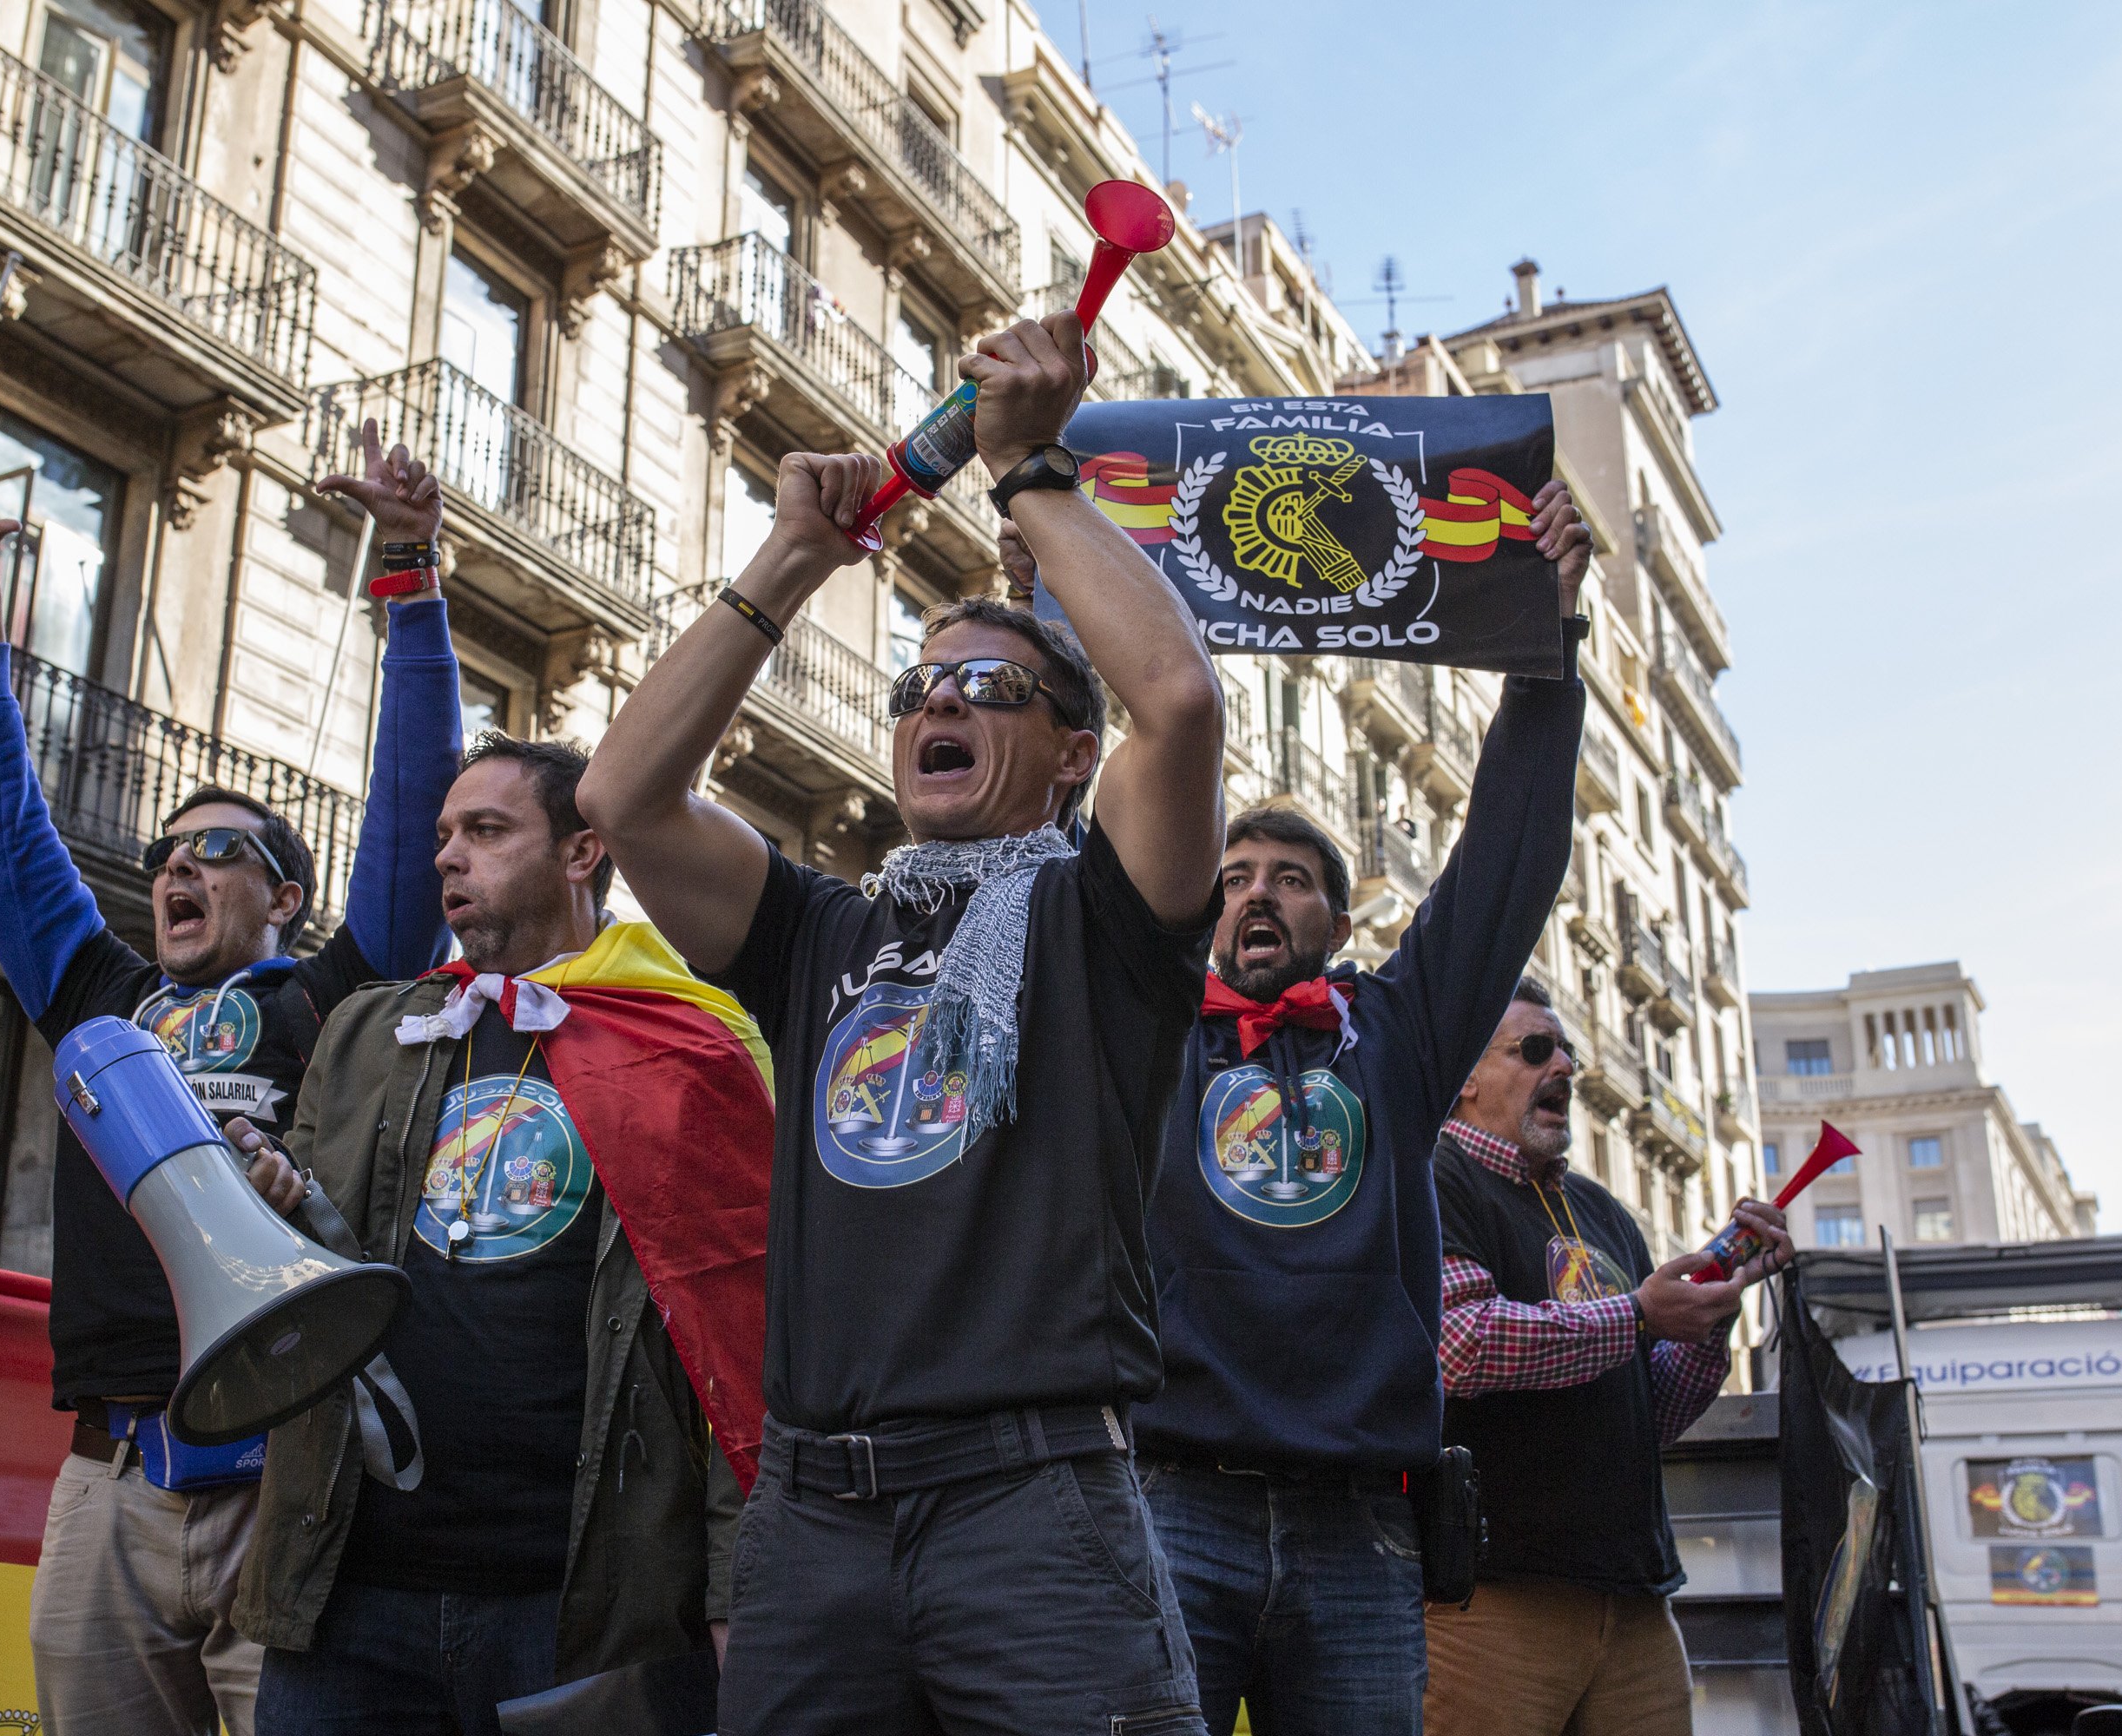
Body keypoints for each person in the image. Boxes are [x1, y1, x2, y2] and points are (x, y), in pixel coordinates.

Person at [576, 307, 1226, 1735]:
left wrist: (1028, 469)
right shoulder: (822, 930)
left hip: (1036, 1507)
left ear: (1068, 756)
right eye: (919, 689)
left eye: (988, 688)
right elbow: (621, 800)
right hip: (817, 1517)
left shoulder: (1104, 921)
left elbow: (1175, 699)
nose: (940, 703)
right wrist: (795, 554)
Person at [0, 421, 465, 1736]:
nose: (178, 868)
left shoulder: (338, 1000)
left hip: (288, 1479)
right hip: (108, 1487)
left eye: (217, 848)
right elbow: (0, 830)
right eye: (167, 853)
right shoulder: (104, 1009)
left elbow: (412, 816)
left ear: (284, 895)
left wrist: (409, 577)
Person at [1125, 483, 1592, 1736]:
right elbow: (1079, 829)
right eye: (1231, 877)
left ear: (1338, 920)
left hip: (1362, 1531)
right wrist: (1051, 605)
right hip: (1170, 1506)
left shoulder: (1397, 1033)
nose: (1258, 894)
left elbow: (1509, 856)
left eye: (1292, 878)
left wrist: (1548, 649)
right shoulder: (1141, 1028)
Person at [226, 734, 746, 1736]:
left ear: (583, 851)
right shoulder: (370, 1032)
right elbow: (283, 1270)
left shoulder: (688, 1041)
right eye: (443, 835)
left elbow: (734, 1339)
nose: (447, 857)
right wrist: (261, 1200)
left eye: (488, 830)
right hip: (348, 1591)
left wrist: (734, 1592)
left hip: (580, 1610)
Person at [1425, 980, 1793, 1736]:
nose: (1563, 1064)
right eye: (1535, 1049)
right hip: (1493, 1600)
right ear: (1464, 1074)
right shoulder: (1433, 1175)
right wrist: (1638, 1316)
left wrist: (1708, 1319)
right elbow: (1460, 1346)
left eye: (1566, 1051)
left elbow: (1646, 1415)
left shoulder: (1604, 1212)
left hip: (1635, 1604)